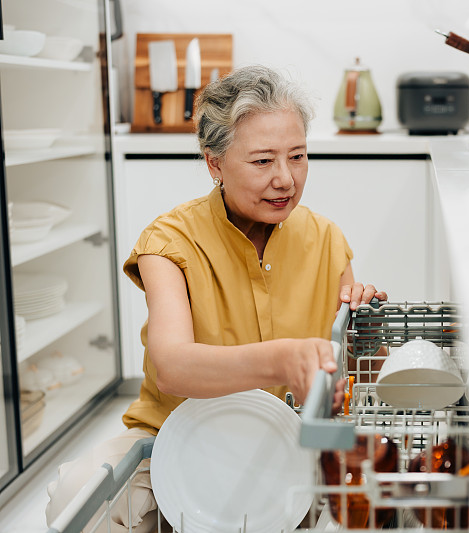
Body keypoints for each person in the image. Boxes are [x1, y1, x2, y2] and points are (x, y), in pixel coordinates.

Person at [45, 65, 387, 531]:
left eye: (298, 156)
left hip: (289, 444)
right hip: (176, 440)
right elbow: (173, 367)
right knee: (75, 496)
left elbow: (353, 379)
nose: (286, 179)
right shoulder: (169, 241)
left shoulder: (326, 239)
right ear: (215, 164)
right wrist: (283, 360)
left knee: (376, 497)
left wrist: (365, 337)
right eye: (263, 161)